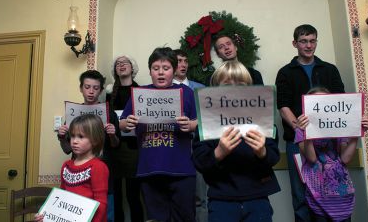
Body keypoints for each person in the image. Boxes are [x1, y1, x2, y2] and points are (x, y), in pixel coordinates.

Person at [192, 61, 280, 222]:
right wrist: (219, 152)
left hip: (257, 197)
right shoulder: (207, 124)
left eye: (240, 84)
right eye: (227, 85)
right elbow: (199, 161)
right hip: (221, 199)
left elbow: (274, 155)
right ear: (215, 90)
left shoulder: (261, 120)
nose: (234, 89)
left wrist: (262, 152)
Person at [275, 24, 345, 222]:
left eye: (312, 41)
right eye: (304, 41)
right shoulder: (285, 72)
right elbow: (283, 105)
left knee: (331, 191)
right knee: (300, 195)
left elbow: (341, 100)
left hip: (329, 143)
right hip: (297, 143)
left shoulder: (330, 69)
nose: (308, 45)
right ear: (295, 43)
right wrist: (300, 129)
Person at [120, 47, 198, 222]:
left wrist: (192, 124)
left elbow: (202, 121)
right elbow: (122, 124)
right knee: (156, 218)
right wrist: (127, 123)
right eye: (156, 68)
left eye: (166, 68)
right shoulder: (139, 94)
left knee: (185, 218)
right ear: (150, 71)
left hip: (182, 171)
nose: (161, 73)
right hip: (149, 169)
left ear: (174, 70)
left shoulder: (187, 93)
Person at [295, 86, 368, 222]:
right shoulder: (300, 129)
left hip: (341, 194)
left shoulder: (340, 125)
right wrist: (307, 132)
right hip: (317, 194)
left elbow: (345, 158)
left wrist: (356, 134)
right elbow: (311, 158)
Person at [57, 70, 121, 222]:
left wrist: (112, 134)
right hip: (79, 172)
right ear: (81, 88)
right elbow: (67, 149)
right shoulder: (74, 113)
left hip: (104, 169)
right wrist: (61, 137)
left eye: (95, 88)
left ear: (100, 90)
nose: (91, 91)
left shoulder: (109, 113)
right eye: (87, 87)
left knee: (105, 211)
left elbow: (117, 146)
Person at [35, 114, 109, 222]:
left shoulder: (98, 167)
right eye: (73, 136)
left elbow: (101, 204)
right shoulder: (66, 166)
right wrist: (45, 217)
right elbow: (60, 198)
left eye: (81, 137)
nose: (74, 141)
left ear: (95, 140)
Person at [106, 55, 144, 222]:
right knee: (115, 195)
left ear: (132, 68)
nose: (121, 66)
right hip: (113, 147)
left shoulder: (141, 91)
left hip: (133, 147)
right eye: (118, 64)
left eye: (124, 63)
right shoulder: (109, 92)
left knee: (133, 194)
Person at [172, 49, 206, 222]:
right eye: (179, 61)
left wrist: (194, 124)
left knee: (200, 196)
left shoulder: (200, 89)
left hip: (197, 146)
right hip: (173, 146)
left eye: (185, 61)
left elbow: (210, 118)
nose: (183, 64)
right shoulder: (164, 89)